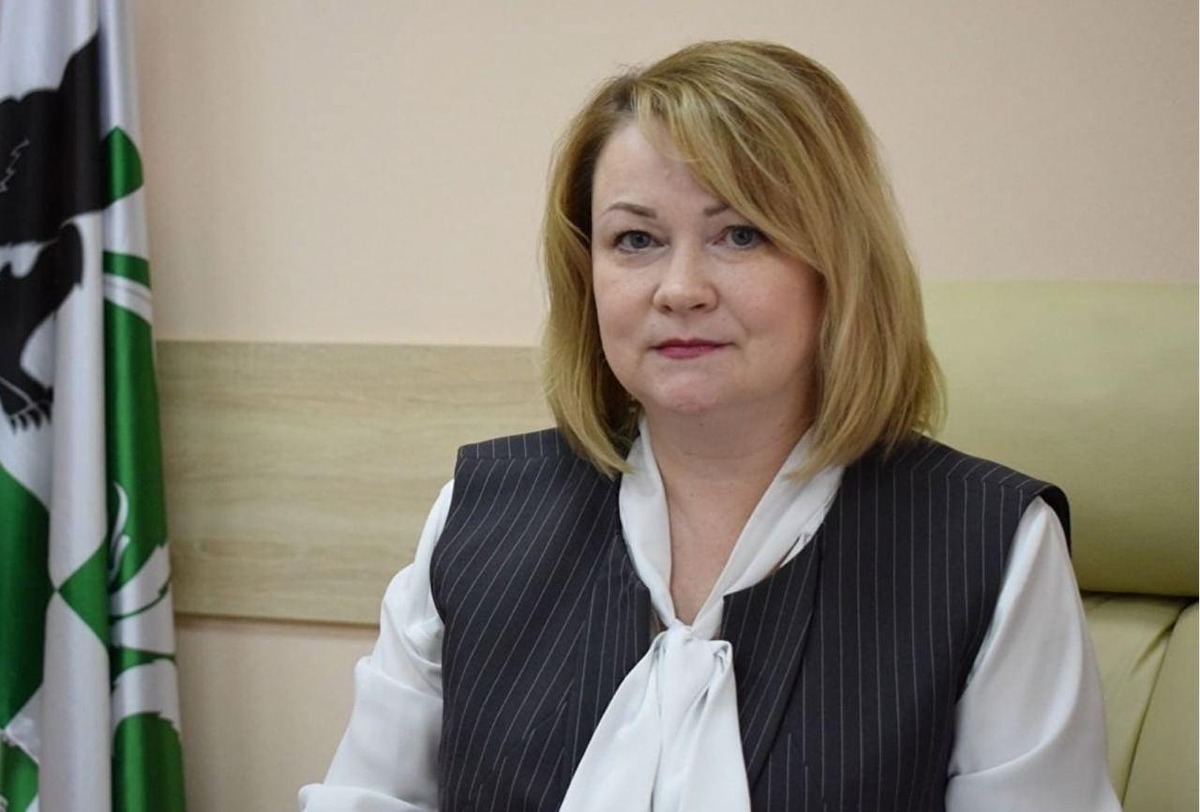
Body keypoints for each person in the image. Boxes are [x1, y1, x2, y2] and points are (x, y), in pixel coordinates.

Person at [300, 40, 1119, 811]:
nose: (681, 288)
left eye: (741, 234)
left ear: (838, 267)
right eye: (636, 240)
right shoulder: (479, 516)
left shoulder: (990, 547)